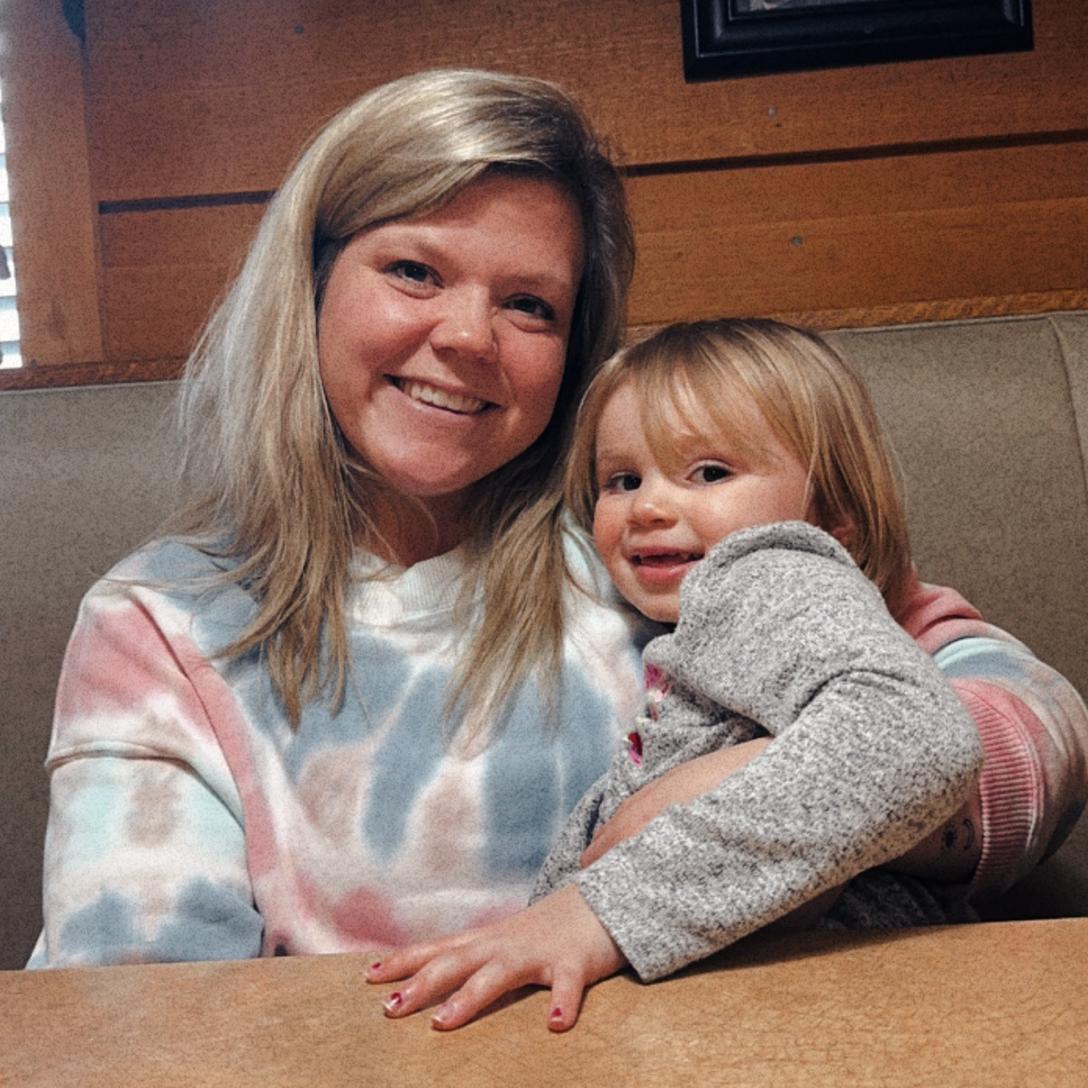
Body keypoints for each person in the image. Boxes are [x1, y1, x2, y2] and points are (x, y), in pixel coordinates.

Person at [27, 72, 1085, 974]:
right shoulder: (163, 623)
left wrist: (774, 797)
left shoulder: (655, 539)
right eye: (413, 270)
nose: (468, 335)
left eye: (529, 304)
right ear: (306, 285)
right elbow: (146, 1004)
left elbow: (1015, 718)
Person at [367, 319, 1088, 1031]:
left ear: (835, 516)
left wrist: (601, 909)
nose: (648, 507)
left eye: (709, 473)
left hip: (828, 1013)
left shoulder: (762, 570)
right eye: (622, 479)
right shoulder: (682, 610)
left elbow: (922, 737)